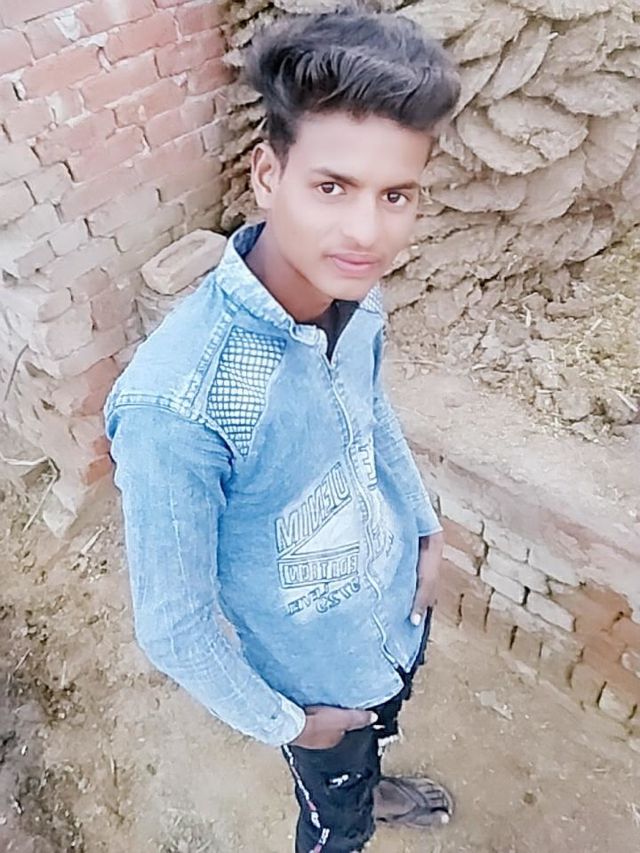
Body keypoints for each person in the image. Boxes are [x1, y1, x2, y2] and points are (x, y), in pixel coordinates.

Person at [105, 6, 460, 851]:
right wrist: (293, 723)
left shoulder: (352, 296)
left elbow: (369, 409)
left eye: (396, 195)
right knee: (335, 820)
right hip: (313, 681)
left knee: (374, 734)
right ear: (269, 174)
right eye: (332, 187)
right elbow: (174, 626)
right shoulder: (179, 405)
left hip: (388, 622)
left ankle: (368, 775)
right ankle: (345, 799)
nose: (366, 232)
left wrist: (423, 526)